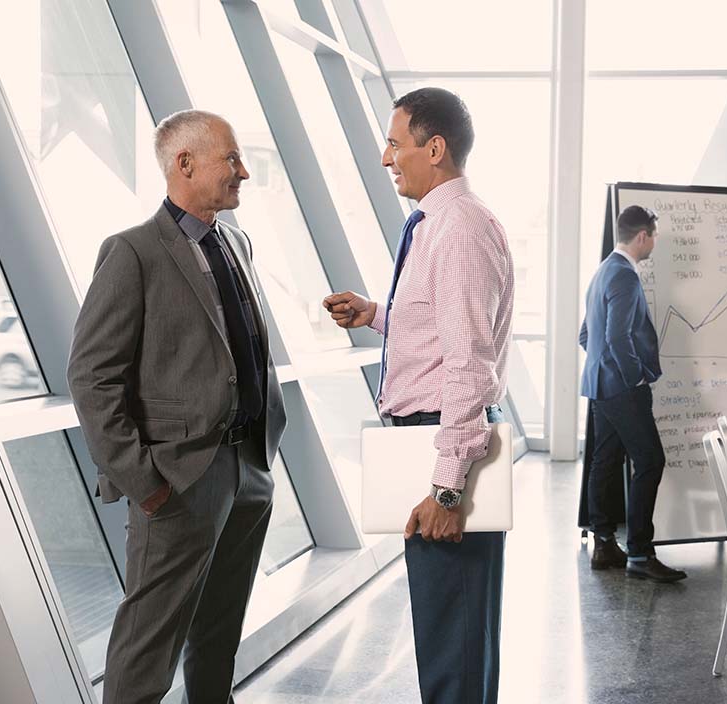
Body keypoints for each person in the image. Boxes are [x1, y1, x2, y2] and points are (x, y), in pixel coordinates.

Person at [67, 110, 286, 703]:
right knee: (149, 641)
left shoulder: (235, 242)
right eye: (231, 160)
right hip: (180, 479)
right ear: (184, 164)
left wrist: (261, 454)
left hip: (249, 467)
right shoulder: (132, 253)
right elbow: (91, 376)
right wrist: (144, 482)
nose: (242, 171)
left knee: (218, 635)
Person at [322, 87, 513, 704]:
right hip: (436, 438)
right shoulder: (442, 224)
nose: (386, 157)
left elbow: (469, 361)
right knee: (452, 631)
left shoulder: (457, 228)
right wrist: (380, 315)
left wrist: (447, 489)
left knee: (452, 635)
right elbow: (444, 330)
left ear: (435, 149)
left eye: (395, 142)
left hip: (444, 444)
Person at [579, 205, 686, 584]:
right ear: (642, 236)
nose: (654, 242)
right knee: (650, 461)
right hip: (622, 390)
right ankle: (639, 553)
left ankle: (604, 543)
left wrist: (605, 371)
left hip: (600, 387)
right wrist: (634, 378)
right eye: (654, 235)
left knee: (604, 462)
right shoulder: (624, 276)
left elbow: (585, 336)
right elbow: (615, 337)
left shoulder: (602, 272)